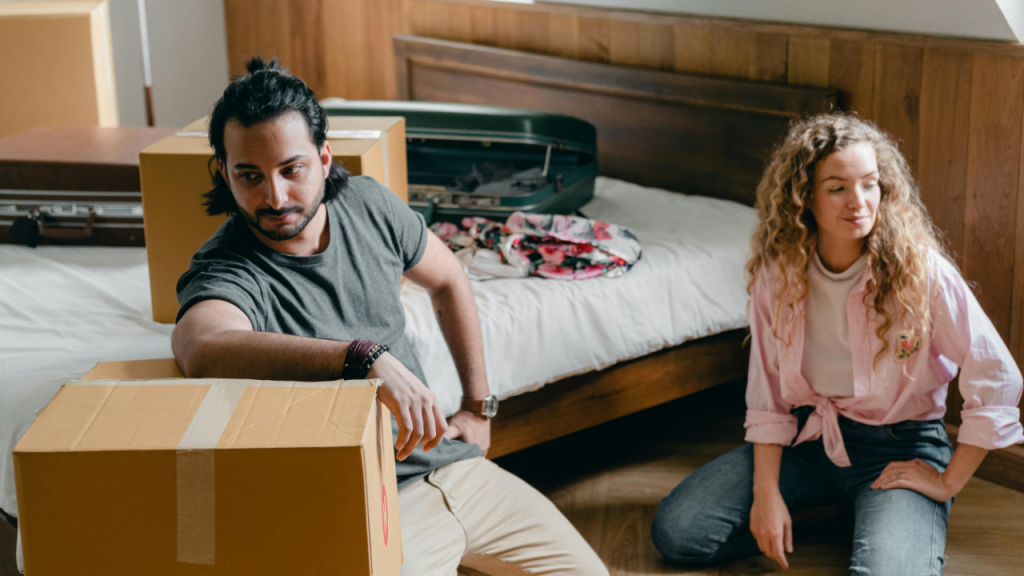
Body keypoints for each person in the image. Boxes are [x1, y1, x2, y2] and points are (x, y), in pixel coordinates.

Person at [171, 57, 608, 576]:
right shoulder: (228, 265)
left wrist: (476, 405)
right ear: (224, 172)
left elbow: (448, 278)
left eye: (292, 170)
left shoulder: (369, 204)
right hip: (372, 499)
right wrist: (363, 359)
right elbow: (202, 347)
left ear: (325, 158)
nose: (275, 196)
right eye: (250, 175)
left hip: (456, 467)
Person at [650, 114, 1023, 573]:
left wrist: (949, 481)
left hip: (900, 447)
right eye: (837, 188)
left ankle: (866, 510)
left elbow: (998, 375)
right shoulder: (778, 276)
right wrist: (766, 497)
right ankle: (826, 508)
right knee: (679, 532)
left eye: (869, 184)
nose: (858, 202)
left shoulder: (922, 273)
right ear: (805, 197)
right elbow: (768, 400)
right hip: (811, 441)